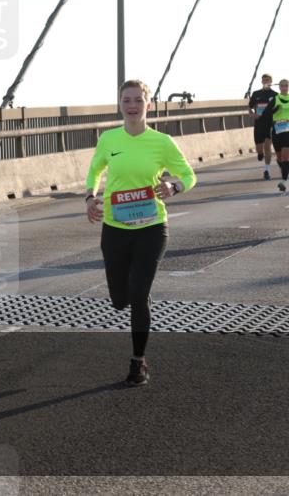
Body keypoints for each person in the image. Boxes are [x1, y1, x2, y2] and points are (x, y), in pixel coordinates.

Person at [85, 79, 196, 386]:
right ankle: (129, 305)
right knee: (120, 299)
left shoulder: (162, 142)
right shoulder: (108, 139)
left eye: (138, 100)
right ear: (120, 105)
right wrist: (90, 197)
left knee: (139, 294)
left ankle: (138, 361)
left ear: (148, 104)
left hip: (152, 227)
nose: (132, 106)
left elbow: (189, 174)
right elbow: (94, 171)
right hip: (116, 228)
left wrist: (174, 186)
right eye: (126, 100)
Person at [257, 79, 289, 192]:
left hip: (288, 130)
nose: (284, 88)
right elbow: (265, 114)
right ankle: (284, 171)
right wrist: (274, 110)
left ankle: (284, 181)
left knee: (285, 157)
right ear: (279, 87)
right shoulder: (275, 99)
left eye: (286, 86)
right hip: (276, 131)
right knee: (279, 158)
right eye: (282, 86)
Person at [248, 74, 277, 180]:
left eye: (267, 80)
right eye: (264, 80)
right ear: (261, 81)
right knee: (259, 148)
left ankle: (267, 170)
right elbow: (250, 108)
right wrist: (252, 114)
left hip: (270, 124)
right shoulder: (256, 94)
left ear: (271, 81)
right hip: (258, 124)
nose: (265, 81)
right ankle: (260, 154)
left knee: (268, 147)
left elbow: (278, 109)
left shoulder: (275, 95)